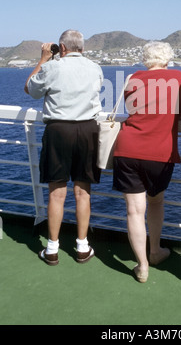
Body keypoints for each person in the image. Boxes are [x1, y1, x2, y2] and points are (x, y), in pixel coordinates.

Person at [24, 29, 103, 265]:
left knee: (57, 193)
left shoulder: (52, 67)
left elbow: (30, 89)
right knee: (83, 192)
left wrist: (43, 59)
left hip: (59, 131)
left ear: (62, 47)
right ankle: (82, 246)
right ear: (82, 48)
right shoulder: (95, 68)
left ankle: (51, 249)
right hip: (88, 130)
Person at [113, 41, 181, 282]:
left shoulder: (133, 78)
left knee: (134, 211)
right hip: (160, 152)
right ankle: (155, 252)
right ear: (167, 59)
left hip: (127, 148)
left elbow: (131, 107)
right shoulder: (177, 77)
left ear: (145, 59)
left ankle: (142, 266)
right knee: (155, 203)